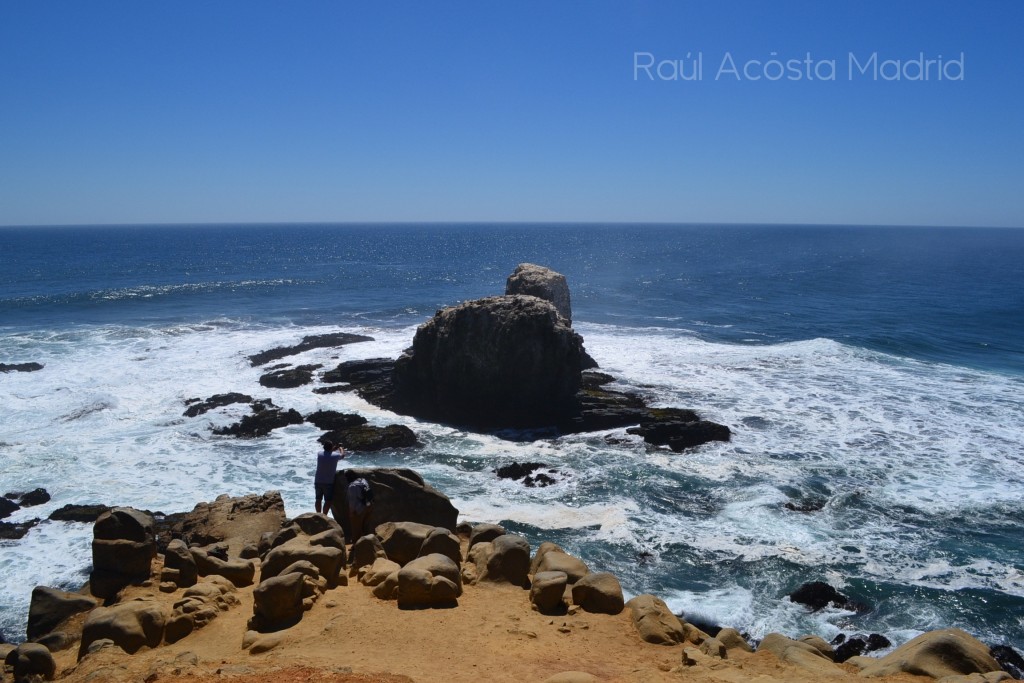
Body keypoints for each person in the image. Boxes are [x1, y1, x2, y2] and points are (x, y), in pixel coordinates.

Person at [314, 440, 346, 515]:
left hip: (318, 481)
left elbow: (328, 452)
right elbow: (343, 455)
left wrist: (334, 448)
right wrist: (341, 448)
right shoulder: (335, 456)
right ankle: (324, 515)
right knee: (328, 501)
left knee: (318, 499)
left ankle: (318, 514)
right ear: (331, 447)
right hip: (328, 482)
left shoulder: (320, 454)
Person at [345, 469, 373, 541]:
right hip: (369, 505)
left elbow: (352, 502)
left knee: (356, 529)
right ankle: (369, 544)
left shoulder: (352, 486)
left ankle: (356, 546)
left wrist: (351, 513)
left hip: (359, 509)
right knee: (366, 528)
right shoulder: (363, 480)